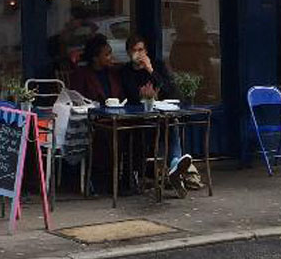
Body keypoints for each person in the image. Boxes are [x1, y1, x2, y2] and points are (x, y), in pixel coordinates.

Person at [120, 34, 192, 185]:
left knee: (173, 124)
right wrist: (144, 96)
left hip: (161, 116)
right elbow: (132, 95)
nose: (139, 54)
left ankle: (174, 167)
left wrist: (150, 70)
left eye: (141, 50)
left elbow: (171, 90)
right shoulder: (126, 71)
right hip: (140, 121)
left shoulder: (157, 66)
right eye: (135, 51)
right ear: (128, 53)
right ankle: (174, 170)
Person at [68, 33, 122, 106]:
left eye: (110, 53)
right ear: (95, 58)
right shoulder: (82, 75)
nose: (111, 57)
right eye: (107, 55)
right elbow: (77, 100)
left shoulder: (113, 73)